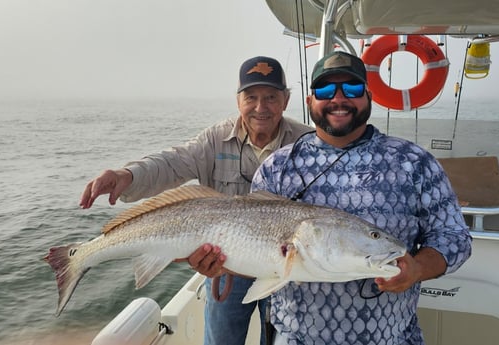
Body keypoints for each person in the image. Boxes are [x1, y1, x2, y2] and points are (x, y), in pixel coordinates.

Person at [79, 56, 314, 345]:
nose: (260, 107)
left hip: (286, 268)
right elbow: (172, 163)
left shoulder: (308, 142)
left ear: (286, 100)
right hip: (224, 268)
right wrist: (127, 175)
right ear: (238, 99)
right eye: (251, 97)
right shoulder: (216, 138)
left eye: (271, 97)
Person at [242, 51, 470, 344]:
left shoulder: (413, 162)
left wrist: (417, 269)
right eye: (325, 90)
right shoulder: (277, 168)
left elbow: (454, 236)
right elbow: (255, 248)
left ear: (369, 97)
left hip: (390, 339)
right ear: (310, 100)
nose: (339, 98)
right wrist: (221, 261)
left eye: (352, 88)